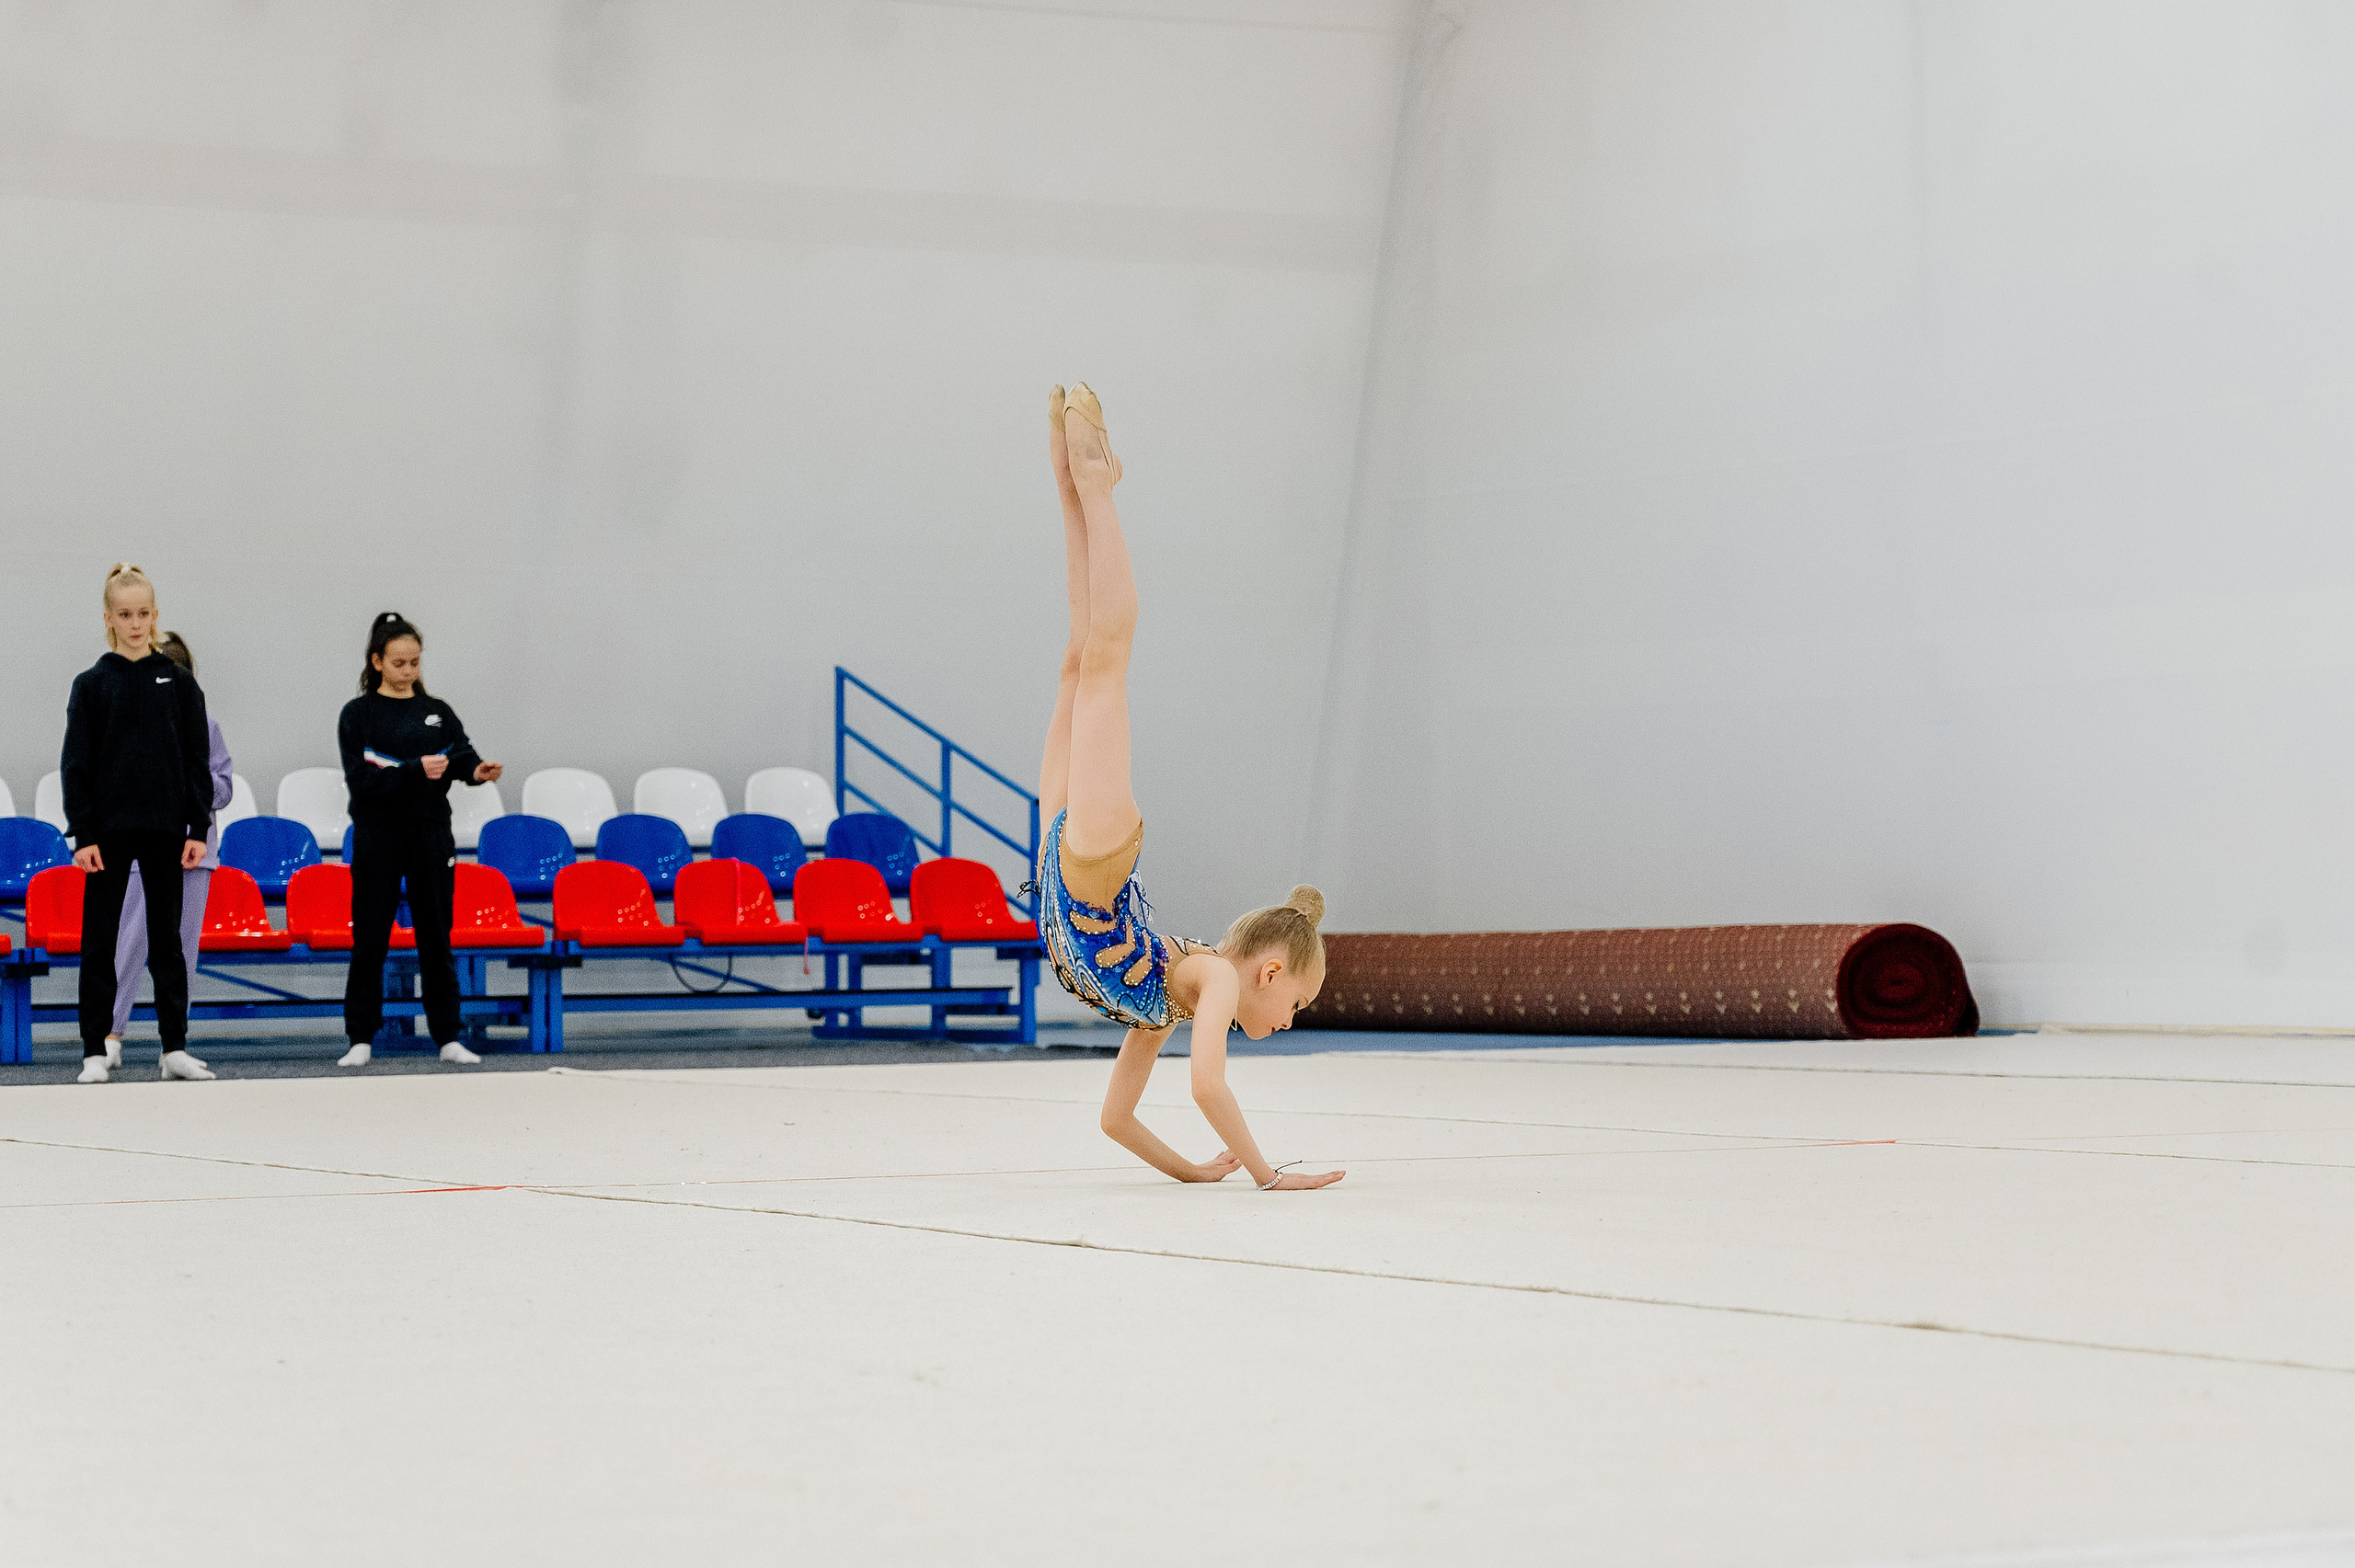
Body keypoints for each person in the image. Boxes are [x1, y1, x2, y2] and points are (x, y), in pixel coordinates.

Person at [1036, 384, 1343, 1190]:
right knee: (1105, 654)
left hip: (1067, 881)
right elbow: (1207, 1084)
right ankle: (1093, 483)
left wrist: (1191, 1172)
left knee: (1083, 652)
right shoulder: (1209, 980)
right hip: (1086, 880)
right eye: (1296, 1008)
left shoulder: (1167, 995)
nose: (1286, 1023)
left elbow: (1117, 1120)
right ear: (1268, 971)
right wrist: (1263, 1173)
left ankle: (1072, 480)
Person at [61, 564, 216, 1085]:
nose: (135, 623)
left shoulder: (179, 683)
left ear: (155, 615)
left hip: (167, 830)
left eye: (143, 614)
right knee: (100, 940)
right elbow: (75, 763)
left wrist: (197, 829)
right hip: (108, 833)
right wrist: (82, 835)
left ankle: (174, 1046)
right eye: (125, 614)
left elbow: (198, 759)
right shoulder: (92, 684)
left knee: (167, 941)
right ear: (108, 618)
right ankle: (94, 1048)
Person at [334, 612, 505, 1069]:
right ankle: (360, 1038)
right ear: (377, 662)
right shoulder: (357, 715)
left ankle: (448, 1035)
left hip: (430, 833)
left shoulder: (438, 711)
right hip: (378, 835)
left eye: (414, 663)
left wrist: (475, 771)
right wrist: (414, 771)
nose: (409, 671)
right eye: (399, 663)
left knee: (436, 936)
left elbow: (460, 754)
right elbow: (362, 782)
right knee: (370, 938)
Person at [98, 631, 234, 1076]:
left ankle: (173, 1044)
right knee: (131, 945)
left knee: (181, 953)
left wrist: (191, 781)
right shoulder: (128, 721)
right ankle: (110, 1035)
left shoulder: (208, 726)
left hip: (195, 855)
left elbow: (223, 787)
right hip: (141, 852)